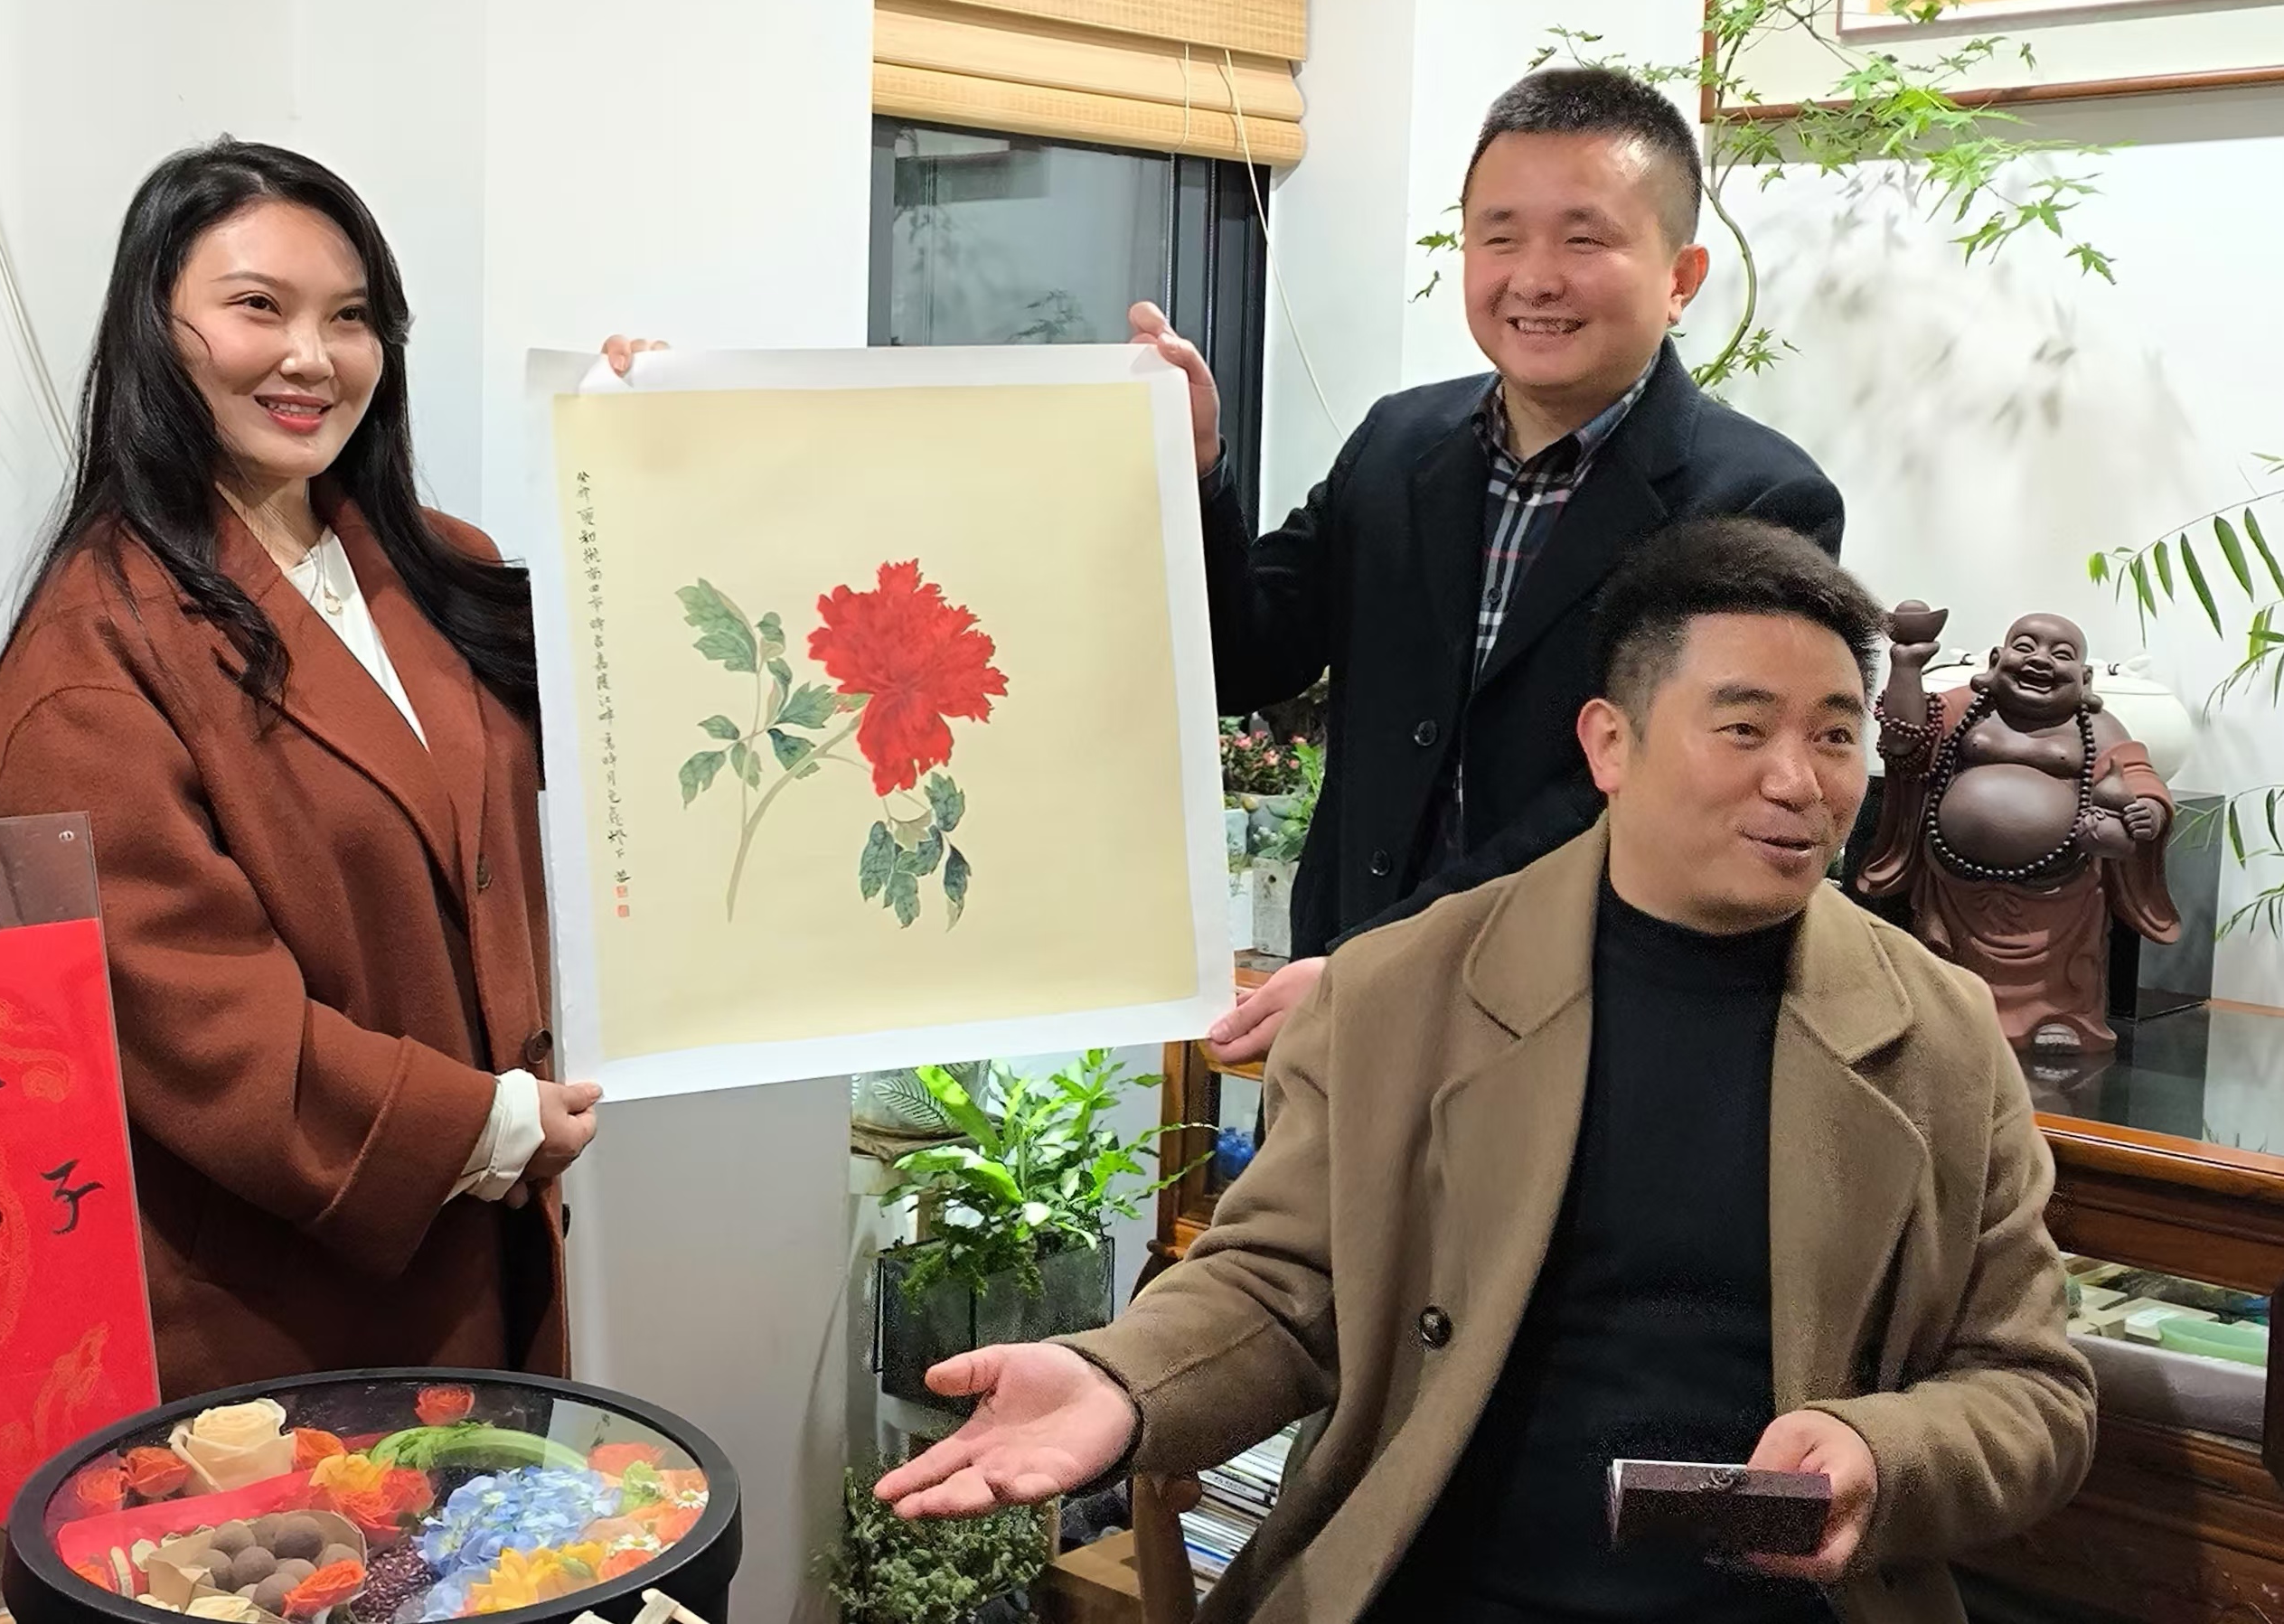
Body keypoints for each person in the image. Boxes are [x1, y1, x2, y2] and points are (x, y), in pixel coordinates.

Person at [877, 519, 2095, 1624]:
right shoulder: (1401, 991)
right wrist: (1119, 1377)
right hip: (1441, 1586)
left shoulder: (1936, 1033)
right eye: (1742, 727)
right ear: (1608, 742)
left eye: (1834, 734)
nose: (1799, 779)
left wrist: (1879, 1451)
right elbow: (1284, 1285)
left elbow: (2031, 1386)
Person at [0, 139, 600, 1397]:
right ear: (155, 328)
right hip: (283, 1313)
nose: (313, 356)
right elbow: (199, 1023)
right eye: (258, 306)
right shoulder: (89, 658)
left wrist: (645, 451)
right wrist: (485, 1123)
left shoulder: (441, 565)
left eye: (350, 318)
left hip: (488, 1249)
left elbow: (628, 762)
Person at [1139, 66, 1846, 1065]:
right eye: (1500, 236)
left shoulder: (1760, 501)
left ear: (1681, 277)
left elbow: (1625, 794)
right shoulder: (1397, 444)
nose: (1535, 278)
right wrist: (1199, 470)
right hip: (1343, 991)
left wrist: (1384, 964)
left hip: (1578, 1022)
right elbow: (1247, 658)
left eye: (1585, 239)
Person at [1857, 605, 2177, 1054]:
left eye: (2061, 655)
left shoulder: (2096, 728)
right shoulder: (1965, 708)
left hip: (2059, 889)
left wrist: (2149, 812)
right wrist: (1906, 666)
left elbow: (2137, 775)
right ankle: (1950, 1012)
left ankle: (2058, 1016)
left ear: (2084, 678)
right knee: (1949, 969)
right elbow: (1903, 741)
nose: (2040, 660)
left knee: (2060, 970)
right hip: (1955, 882)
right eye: (2025, 647)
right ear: (1995, 660)